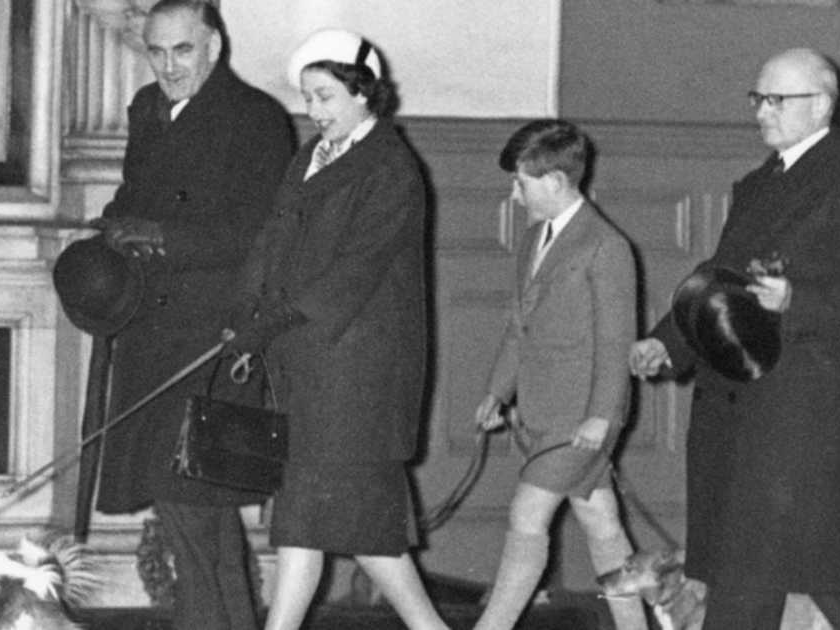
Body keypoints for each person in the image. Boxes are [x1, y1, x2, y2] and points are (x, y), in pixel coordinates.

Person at [629, 48, 840, 629]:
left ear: (821, 105)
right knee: (817, 583)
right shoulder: (759, 184)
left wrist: (797, 301)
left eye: (776, 100)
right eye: (757, 98)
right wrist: (671, 342)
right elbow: (724, 277)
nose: (761, 112)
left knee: (773, 579)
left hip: (799, 413)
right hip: (747, 410)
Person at [223, 28, 449, 630]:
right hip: (311, 366)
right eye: (307, 98)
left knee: (344, 521)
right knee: (325, 521)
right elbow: (273, 240)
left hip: (358, 374)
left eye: (324, 96)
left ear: (362, 93)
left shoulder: (392, 169)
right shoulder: (312, 156)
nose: (313, 111)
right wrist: (247, 318)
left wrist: (279, 319)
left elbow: (356, 269)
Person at [90, 2, 295, 629]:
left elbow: (262, 236)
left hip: (212, 339)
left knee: (199, 508)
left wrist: (160, 237)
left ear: (213, 46)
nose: (169, 65)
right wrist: (113, 226)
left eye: (182, 50)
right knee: (184, 515)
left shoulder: (256, 119)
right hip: (151, 335)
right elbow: (135, 195)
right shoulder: (148, 112)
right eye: (157, 51)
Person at [469, 119, 647, 630]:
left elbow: (617, 342)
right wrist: (496, 391)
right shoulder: (531, 241)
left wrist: (601, 417)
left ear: (553, 181)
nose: (515, 192)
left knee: (527, 516)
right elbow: (518, 327)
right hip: (540, 413)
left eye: (520, 182)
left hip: (581, 418)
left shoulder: (605, 246)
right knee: (601, 521)